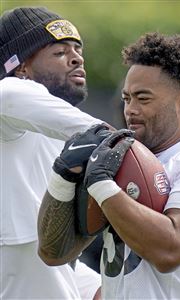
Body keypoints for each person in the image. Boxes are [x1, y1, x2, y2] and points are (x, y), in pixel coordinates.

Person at [38, 32, 180, 299]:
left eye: (143, 98)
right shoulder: (121, 155)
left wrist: (102, 185)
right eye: (127, 99)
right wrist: (64, 175)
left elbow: (170, 252)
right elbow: (54, 253)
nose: (130, 110)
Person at [0, 6, 108, 299]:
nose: (76, 57)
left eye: (77, 49)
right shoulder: (8, 91)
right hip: (18, 252)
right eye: (59, 52)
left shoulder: (52, 126)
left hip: (43, 256)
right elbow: (106, 139)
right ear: (20, 67)